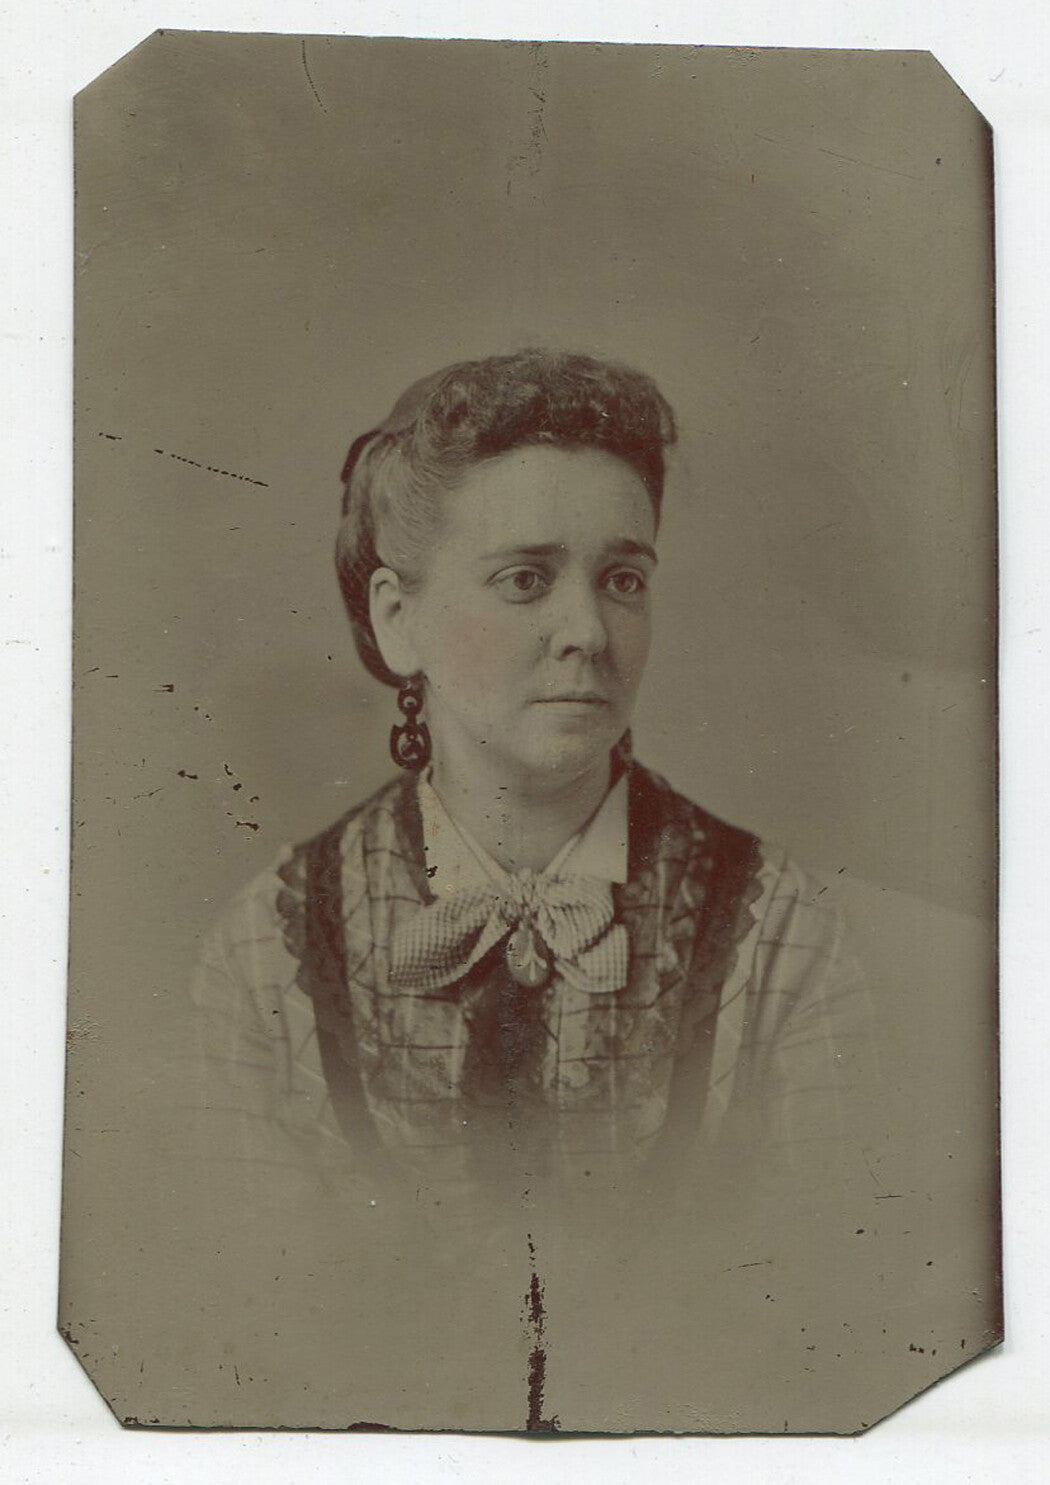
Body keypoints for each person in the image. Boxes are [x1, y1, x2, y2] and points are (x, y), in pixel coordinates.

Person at [189, 349, 873, 1247]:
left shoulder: (781, 935)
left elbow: (827, 1299)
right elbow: (255, 1315)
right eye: (524, 579)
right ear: (399, 620)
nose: (589, 632)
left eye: (623, 580)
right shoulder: (263, 954)